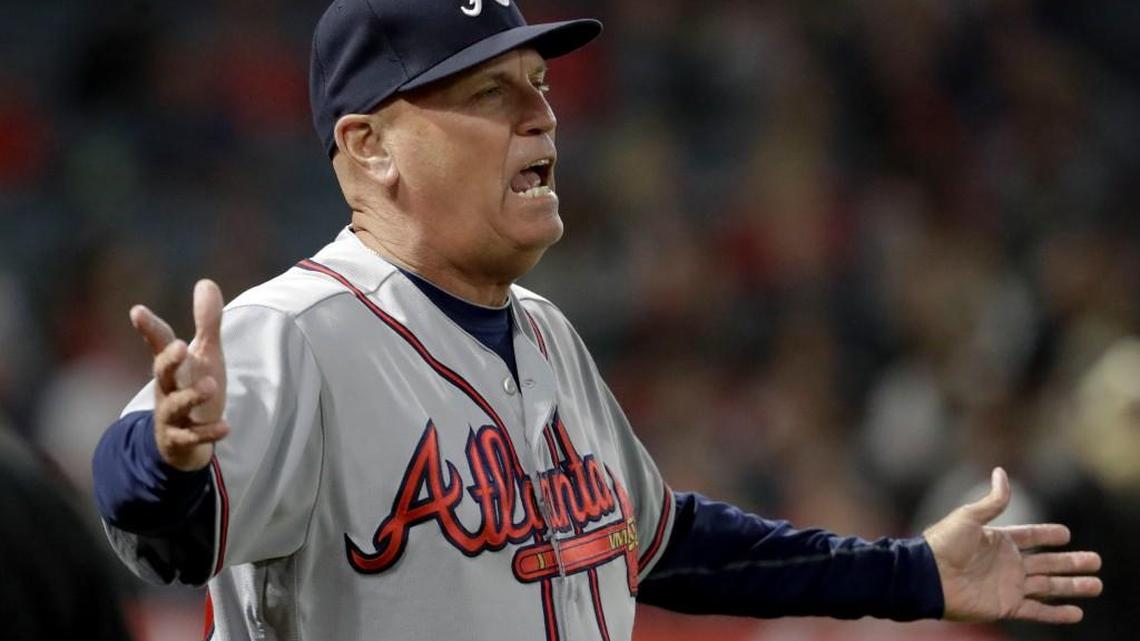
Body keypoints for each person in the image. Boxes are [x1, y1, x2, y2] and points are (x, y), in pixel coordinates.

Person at [92, 1, 1102, 640]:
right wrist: (167, 454)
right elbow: (161, 522)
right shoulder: (296, 332)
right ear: (370, 149)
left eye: (539, 85)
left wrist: (908, 572)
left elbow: (661, 540)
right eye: (491, 92)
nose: (543, 114)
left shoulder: (541, 331)